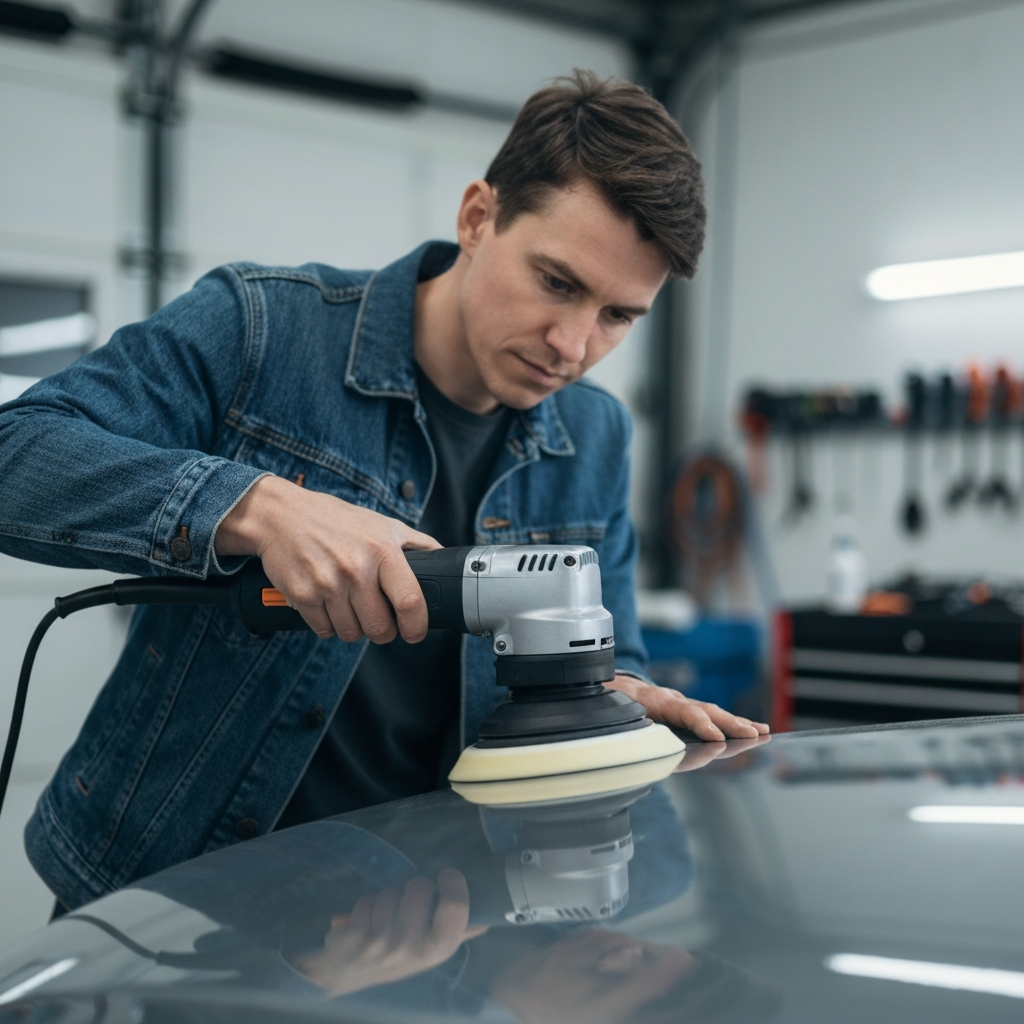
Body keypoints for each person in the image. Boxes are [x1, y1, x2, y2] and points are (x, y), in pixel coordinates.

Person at [0, 70, 767, 913]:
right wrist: (256, 506)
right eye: (557, 282)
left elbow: (614, 652)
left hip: (433, 921)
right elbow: (17, 453)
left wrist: (613, 694)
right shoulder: (259, 329)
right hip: (173, 915)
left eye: (620, 316)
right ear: (478, 217)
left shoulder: (597, 436)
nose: (573, 345)